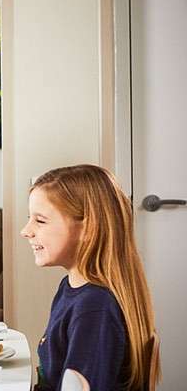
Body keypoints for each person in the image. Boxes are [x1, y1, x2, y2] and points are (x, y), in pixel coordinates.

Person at [21, 164, 160, 390]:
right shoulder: (71, 288)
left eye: (40, 220)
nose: (26, 230)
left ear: (88, 228)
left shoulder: (95, 307)